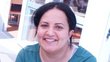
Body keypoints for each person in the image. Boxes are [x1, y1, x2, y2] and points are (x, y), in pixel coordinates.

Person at [16, 2, 96, 62]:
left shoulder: (86, 60)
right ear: (37, 29)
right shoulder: (25, 56)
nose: (50, 33)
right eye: (44, 25)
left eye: (59, 27)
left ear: (70, 33)